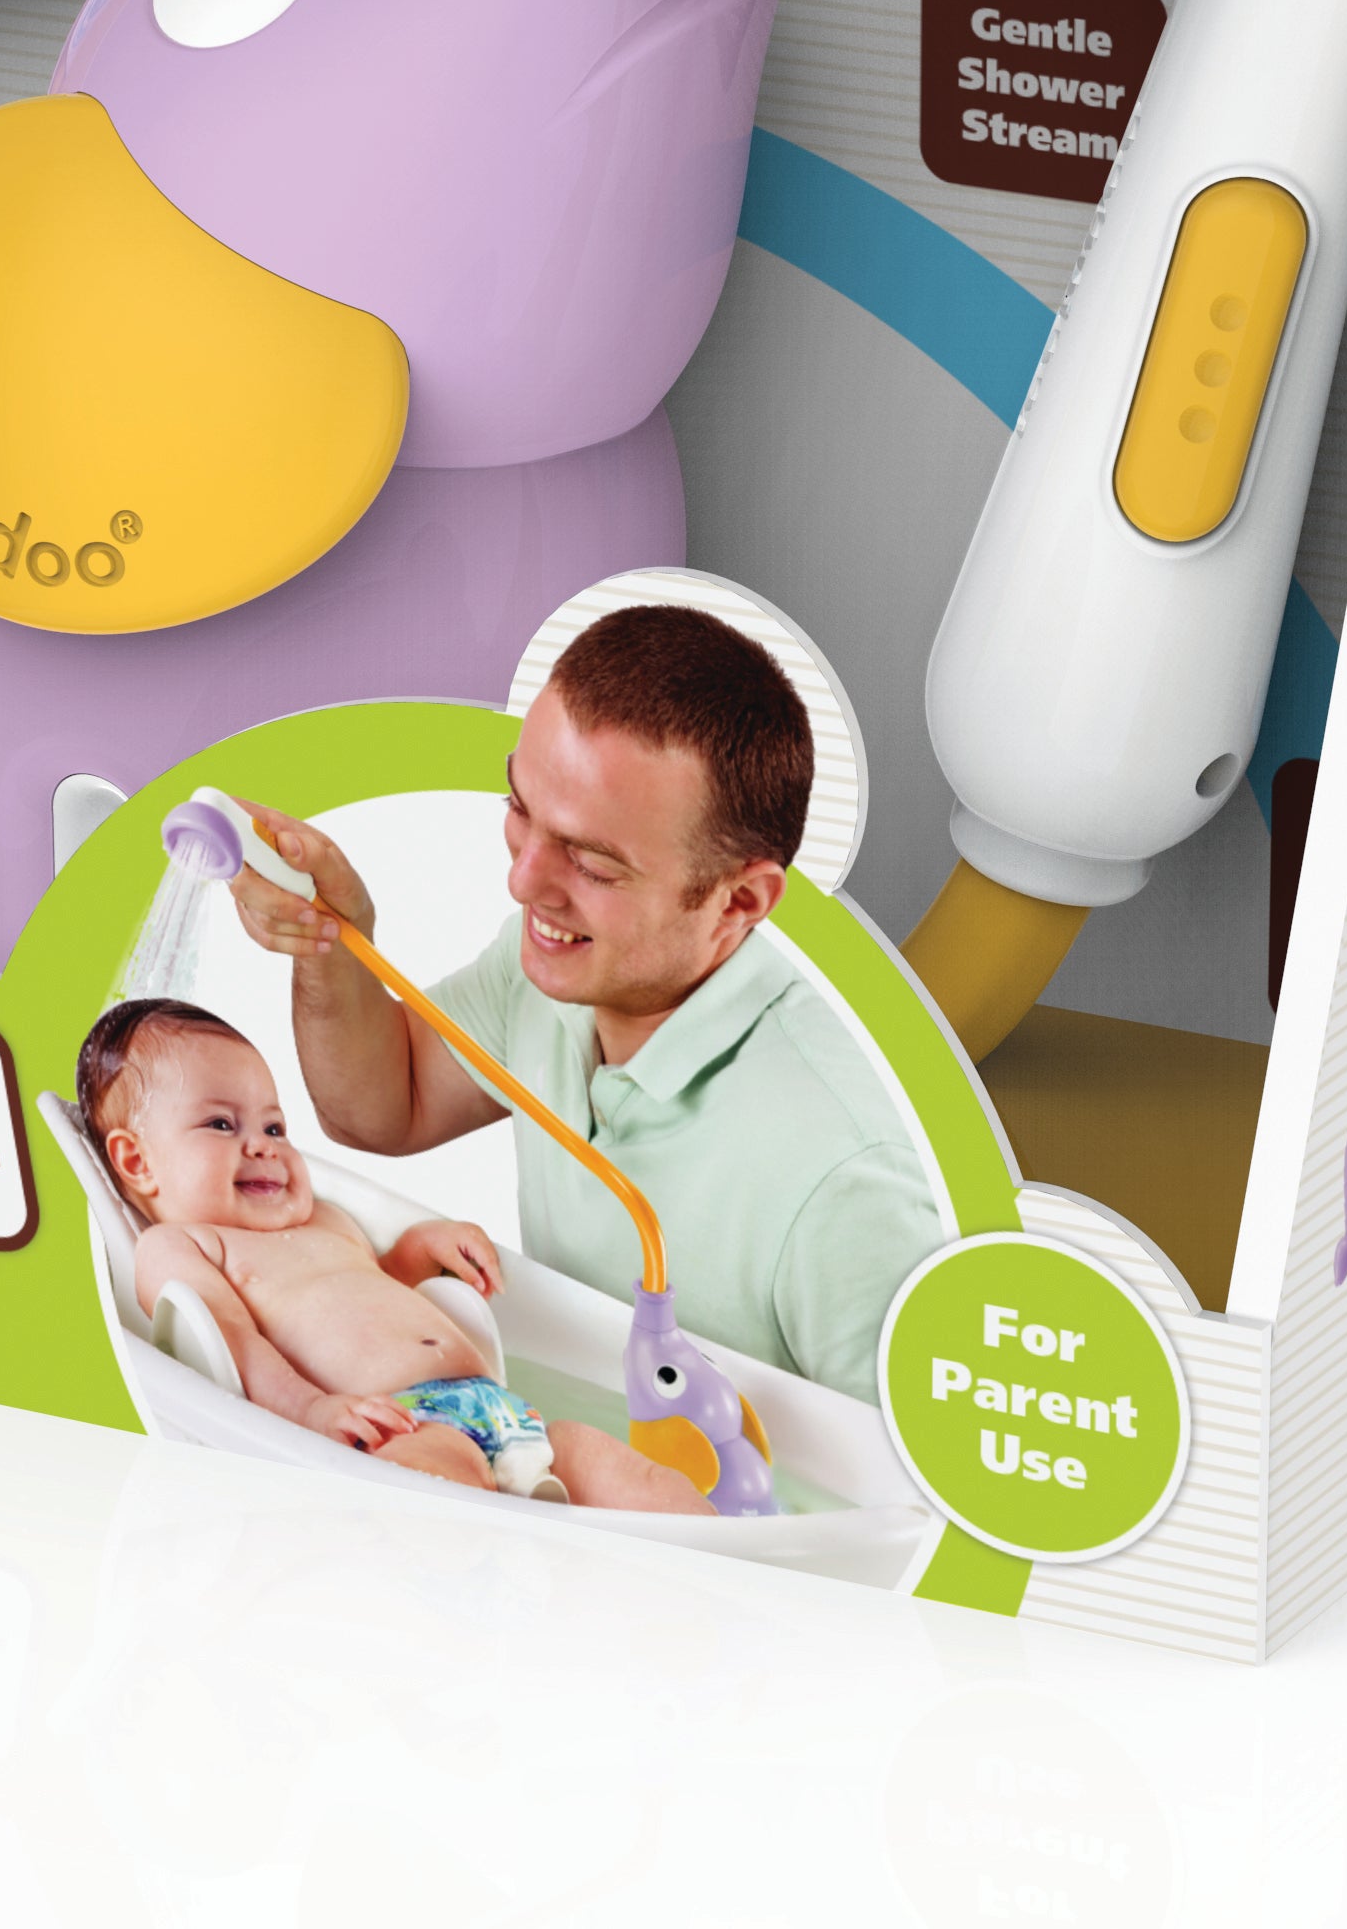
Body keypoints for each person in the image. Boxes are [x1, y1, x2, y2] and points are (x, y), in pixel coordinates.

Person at [231, 605, 948, 1401]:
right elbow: (383, 1106)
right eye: (518, 808)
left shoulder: (846, 1180)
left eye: (592, 864)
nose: (522, 881)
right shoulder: (559, 972)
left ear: (738, 901)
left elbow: (920, 1468)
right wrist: (331, 939)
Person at [76, 995, 710, 1513]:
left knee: (633, 1479)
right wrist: (312, 1410)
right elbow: (232, 1347)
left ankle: (732, 1563)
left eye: (274, 1127)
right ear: (137, 1161)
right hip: (397, 1428)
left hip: (507, 1414)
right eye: (221, 1124)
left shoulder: (324, 1219)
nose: (264, 1146)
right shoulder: (180, 1246)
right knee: (446, 1508)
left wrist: (420, 1249)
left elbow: (375, 1290)